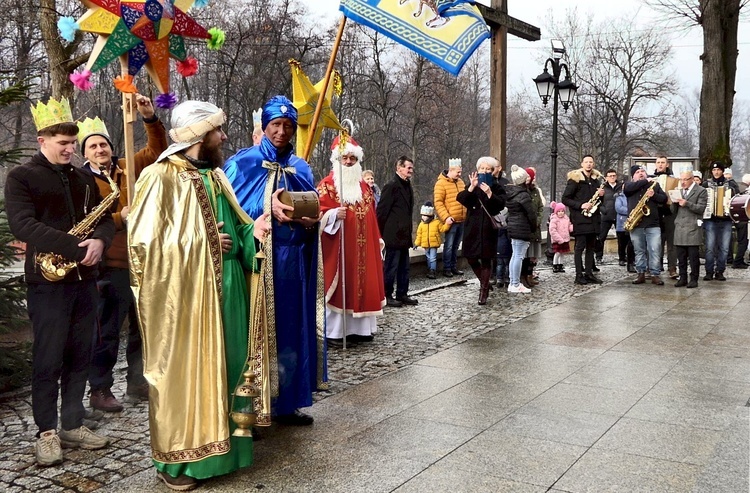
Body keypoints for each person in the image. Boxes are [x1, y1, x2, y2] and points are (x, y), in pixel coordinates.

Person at [128, 101, 270, 490]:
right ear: (197, 135)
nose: (223, 138)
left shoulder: (217, 176)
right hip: (188, 303)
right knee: (189, 374)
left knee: (229, 368)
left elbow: (235, 231)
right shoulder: (160, 178)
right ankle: (180, 463)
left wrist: (252, 233)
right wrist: (204, 242)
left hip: (228, 293)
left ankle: (227, 452)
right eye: (217, 131)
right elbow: (145, 247)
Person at [5, 97, 114, 466]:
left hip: (84, 280)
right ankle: (46, 431)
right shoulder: (22, 177)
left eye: (72, 142)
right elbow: (23, 225)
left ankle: (72, 423)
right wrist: (74, 245)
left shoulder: (84, 177)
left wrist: (100, 240)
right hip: (47, 283)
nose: (70, 148)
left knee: (80, 354)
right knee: (48, 358)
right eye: (62, 143)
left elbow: (105, 218)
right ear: (42, 141)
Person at [223, 95, 326, 426]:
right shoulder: (243, 163)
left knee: (291, 331)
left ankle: (288, 402)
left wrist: (313, 220)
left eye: (287, 126)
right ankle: (252, 407)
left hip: (293, 262)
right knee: (257, 333)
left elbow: (310, 207)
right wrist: (268, 206)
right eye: (275, 125)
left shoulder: (301, 167)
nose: (282, 132)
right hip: (259, 262)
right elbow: (232, 212)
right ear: (264, 128)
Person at [78, 95, 167, 413]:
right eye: (93, 147)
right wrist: (120, 218)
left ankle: (137, 380)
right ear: (85, 153)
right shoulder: (82, 182)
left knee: (143, 326)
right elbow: (84, 223)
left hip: (143, 260)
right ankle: (99, 388)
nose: (100, 151)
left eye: (103, 145)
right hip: (111, 265)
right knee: (108, 329)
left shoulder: (129, 166)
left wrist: (149, 117)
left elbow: (157, 152)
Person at [317, 135, 385, 344]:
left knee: (363, 284)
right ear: (336, 160)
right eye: (344, 158)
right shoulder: (327, 185)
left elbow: (371, 215)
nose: (348, 162)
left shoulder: (364, 187)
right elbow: (316, 213)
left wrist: (377, 239)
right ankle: (337, 332)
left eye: (352, 159)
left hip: (362, 248)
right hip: (339, 248)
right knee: (342, 287)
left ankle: (361, 330)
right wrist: (332, 215)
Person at [456, 159, 506, 304]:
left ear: (492, 171)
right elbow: (461, 199)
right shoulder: (473, 185)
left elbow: (500, 205)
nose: (484, 171)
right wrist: (471, 187)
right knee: (470, 257)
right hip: (473, 227)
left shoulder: (497, 187)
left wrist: (490, 194)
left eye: (487, 169)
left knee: (486, 259)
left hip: (488, 229)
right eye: (482, 168)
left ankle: (483, 291)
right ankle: (485, 282)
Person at [377, 156, 419, 307]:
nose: (411, 171)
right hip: (392, 235)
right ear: (399, 167)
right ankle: (387, 294)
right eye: (408, 168)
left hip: (404, 234)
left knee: (404, 268)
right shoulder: (392, 186)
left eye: (411, 168)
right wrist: (380, 234)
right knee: (391, 267)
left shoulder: (407, 186)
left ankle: (402, 293)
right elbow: (381, 211)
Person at [562, 154, 604, 285]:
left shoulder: (596, 180)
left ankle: (589, 274)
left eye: (591, 162)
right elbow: (565, 198)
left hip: (593, 218)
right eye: (586, 162)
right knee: (580, 247)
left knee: (591, 247)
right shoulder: (575, 179)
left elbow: (598, 202)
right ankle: (579, 275)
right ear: (582, 164)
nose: (589, 164)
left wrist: (601, 196)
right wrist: (581, 205)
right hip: (580, 218)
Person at [624, 165, 668, 285]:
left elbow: (664, 199)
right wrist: (645, 181)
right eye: (637, 172)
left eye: (643, 171)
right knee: (639, 250)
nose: (641, 173)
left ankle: (655, 274)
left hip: (652, 223)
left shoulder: (654, 185)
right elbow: (627, 190)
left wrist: (654, 195)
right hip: (636, 224)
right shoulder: (629, 186)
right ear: (633, 176)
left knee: (655, 249)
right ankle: (641, 273)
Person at [701, 161, 739, 281]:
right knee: (710, 246)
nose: (716, 172)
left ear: (722, 171)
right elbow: (702, 199)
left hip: (726, 219)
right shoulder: (706, 184)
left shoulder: (730, 184)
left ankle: (720, 271)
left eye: (718, 170)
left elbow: (736, 199)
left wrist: (731, 195)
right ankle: (709, 271)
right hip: (710, 218)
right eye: (714, 170)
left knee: (724, 247)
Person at [672, 171, 708, 288]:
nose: (683, 182)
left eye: (685, 179)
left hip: (692, 226)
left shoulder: (701, 190)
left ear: (692, 179)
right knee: (681, 256)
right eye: (681, 179)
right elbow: (673, 211)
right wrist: (674, 203)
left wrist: (686, 203)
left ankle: (694, 278)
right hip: (680, 226)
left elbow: (701, 208)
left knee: (693, 256)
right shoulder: (680, 191)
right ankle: (682, 277)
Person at [505, 165, 536, 294]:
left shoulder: (510, 193)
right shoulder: (524, 195)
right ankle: (516, 283)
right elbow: (531, 214)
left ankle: (513, 282)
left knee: (515, 255)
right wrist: (533, 227)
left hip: (513, 226)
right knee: (518, 256)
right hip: (521, 228)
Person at [433, 158, 466, 277]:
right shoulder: (441, 183)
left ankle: (453, 266)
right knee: (449, 245)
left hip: (461, 219)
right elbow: (438, 202)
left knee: (456, 245)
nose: (460, 174)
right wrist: (446, 217)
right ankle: (447, 268)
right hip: (451, 220)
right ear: (451, 170)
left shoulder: (460, 182)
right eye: (458, 172)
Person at [652, 156, 679, 279]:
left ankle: (672, 267)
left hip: (669, 213)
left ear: (667, 164)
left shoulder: (673, 180)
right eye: (658, 162)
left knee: (672, 242)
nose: (660, 165)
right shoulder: (650, 179)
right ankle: (655, 267)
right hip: (655, 213)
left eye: (663, 162)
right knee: (657, 243)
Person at [521, 167, 544, 288]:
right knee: (525, 254)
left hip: (536, 226)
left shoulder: (535, 191)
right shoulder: (523, 191)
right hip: (526, 226)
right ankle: (523, 276)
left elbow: (540, 207)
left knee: (532, 255)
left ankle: (529, 275)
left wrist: (538, 220)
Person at [414, 201, 450, 279]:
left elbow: (442, 229)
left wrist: (448, 224)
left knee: (432, 258)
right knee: (428, 257)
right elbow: (419, 235)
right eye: (422, 215)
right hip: (425, 244)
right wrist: (416, 243)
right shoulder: (421, 224)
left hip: (434, 244)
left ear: (429, 216)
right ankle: (430, 269)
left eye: (425, 215)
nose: (423, 217)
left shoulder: (436, 222)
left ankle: (432, 270)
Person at [595, 169, 623, 265]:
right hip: (606, 216)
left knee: (621, 238)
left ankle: (622, 257)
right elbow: (597, 201)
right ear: (606, 177)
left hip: (619, 215)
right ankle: (598, 257)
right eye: (610, 176)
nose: (612, 177)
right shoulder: (602, 187)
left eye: (614, 175)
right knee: (601, 237)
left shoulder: (621, 187)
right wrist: (603, 210)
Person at [614, 190, 636, 272]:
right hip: (621, 223)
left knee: (631, 243)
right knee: (622, 243)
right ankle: (622, 258)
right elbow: (619, 208)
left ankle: (632, 260)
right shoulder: (620, 197)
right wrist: (631, 211)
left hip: (632, 223)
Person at [548, 202, 572, 273]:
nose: (561, 213)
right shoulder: (554, 219)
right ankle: (555, 265)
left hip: (565, 239)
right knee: (557, 253)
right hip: (558, 240)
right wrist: (558, 239)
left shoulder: (566, 219)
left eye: (562, 211)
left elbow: (569, 226)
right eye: (559, 211)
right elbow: (552, 230)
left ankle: (560, 265)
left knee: (562, 253)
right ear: (556, 212)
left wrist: (572, 228)